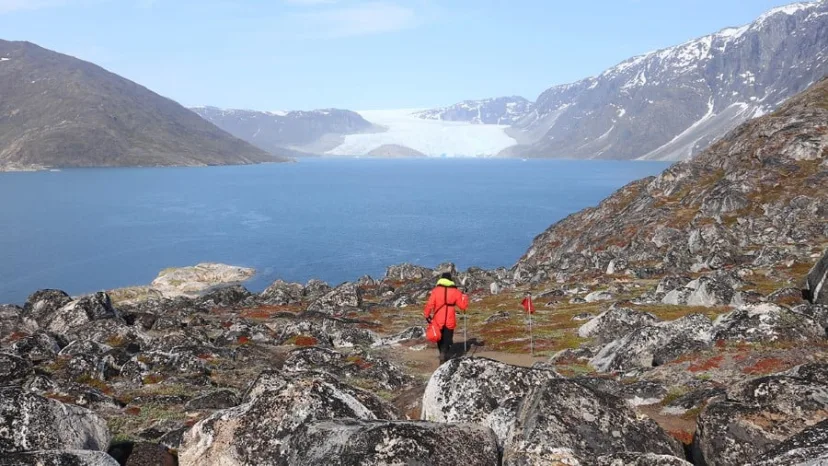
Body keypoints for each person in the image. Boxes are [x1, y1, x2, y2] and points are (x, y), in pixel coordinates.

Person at [423, 272, 469, 364]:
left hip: (438, 317)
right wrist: (464, 296)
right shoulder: (456, 291)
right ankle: (445, 352)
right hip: (450, 317)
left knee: (439, 337)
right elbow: (463, 306)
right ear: (450, 280)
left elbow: (430, 304)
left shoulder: (436, 290)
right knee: (448, 337)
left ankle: (442, 353)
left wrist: (427, 314)